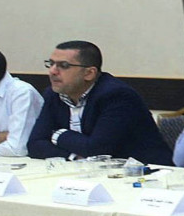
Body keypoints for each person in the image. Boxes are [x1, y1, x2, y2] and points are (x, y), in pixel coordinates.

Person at [27, 41, 172, 165]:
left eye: (63, 65)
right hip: (88, 172)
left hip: (146, 174)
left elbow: (97, 150)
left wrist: (58, 135)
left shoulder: (117, 96)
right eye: (51, 64)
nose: (52, 71)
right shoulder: (53, 94)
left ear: (89, 73)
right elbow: (34, 144)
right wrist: (73, 157)